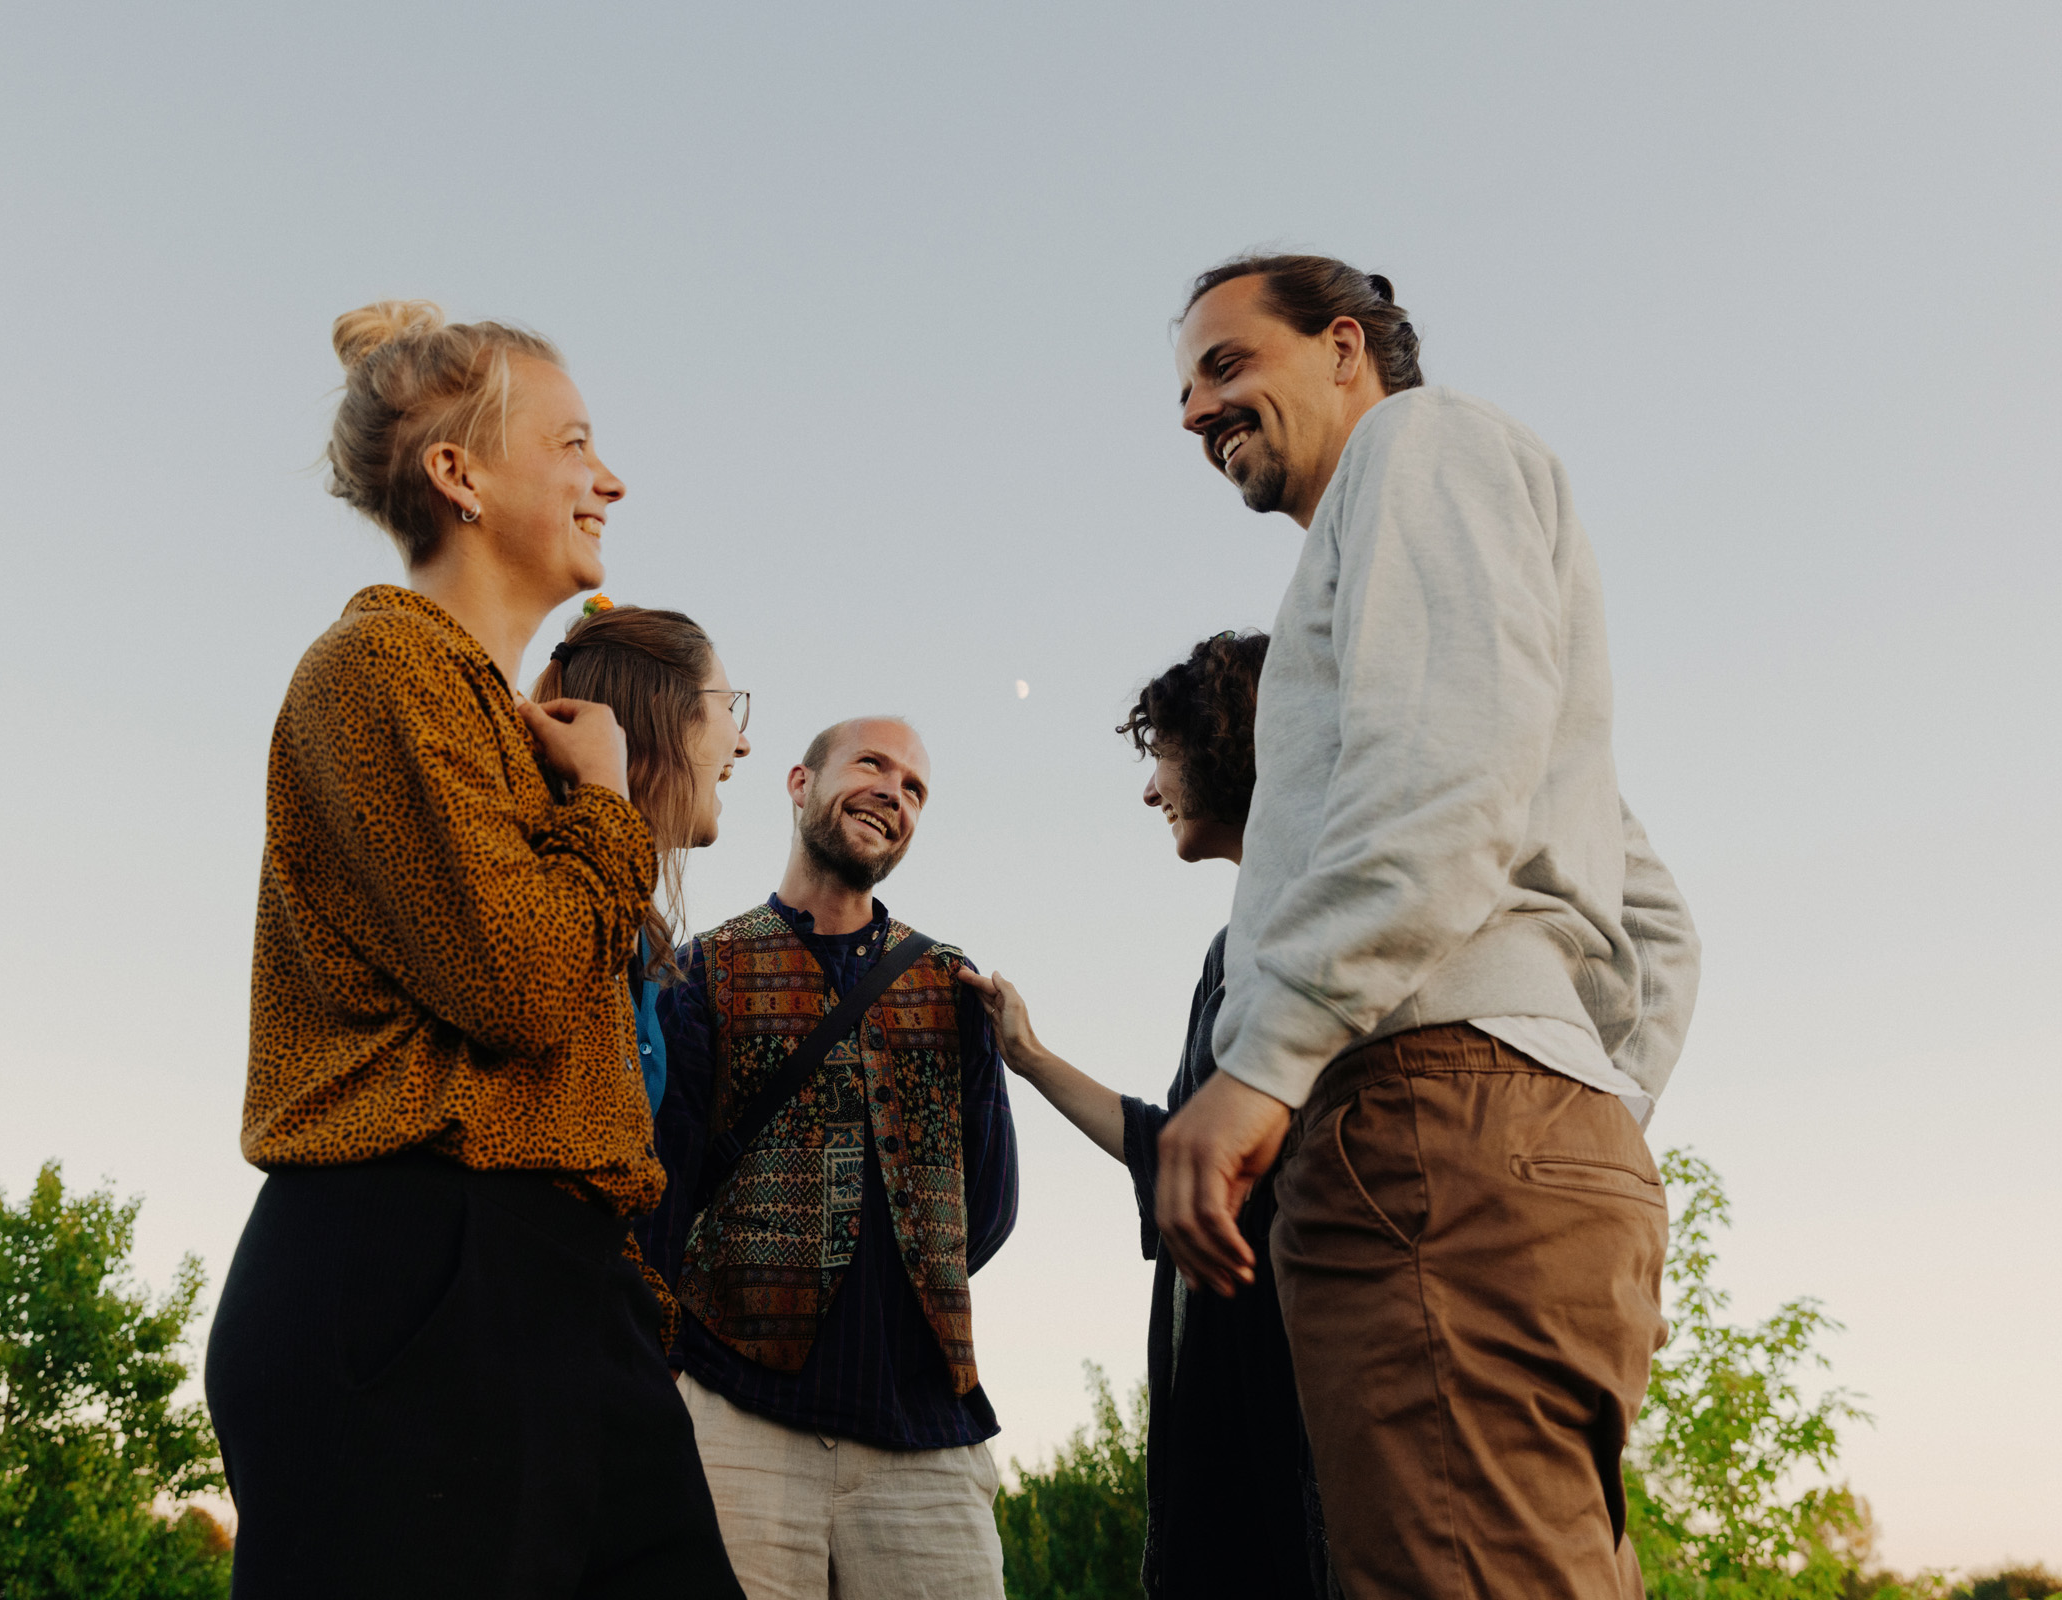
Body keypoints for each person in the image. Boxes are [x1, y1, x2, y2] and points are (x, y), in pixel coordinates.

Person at [1155, 254, 1702, 1599]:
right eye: (1181, 389)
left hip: (1423, 1130)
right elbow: (1651, 920)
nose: (1190, 412)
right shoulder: (1440, 556)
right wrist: (1569, 1097)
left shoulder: (1418, 444)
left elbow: (1436, 787)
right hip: (1503, 1134)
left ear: (1344, 346)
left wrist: (1267, 1059)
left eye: (1224, 366)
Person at [205, 300, 744, 1599]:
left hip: (556, 1290)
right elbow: (517, 980)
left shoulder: (496, 722)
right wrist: (610, 808)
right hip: (420, 1275)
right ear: (457, 473)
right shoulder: (378, 666)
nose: (606, 477)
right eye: (570, 441)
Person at [961, 630, 1330, 1600]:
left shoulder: (1333, 918)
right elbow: (1177, 1147)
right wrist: (1028, 1056)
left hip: (1300, 1369)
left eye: (1160, 754)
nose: (1148, 787)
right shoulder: (1227, 949)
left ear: (1225, 743)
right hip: (1212, 1373)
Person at [637, 717, 1020, 1600]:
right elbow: (660, 1200)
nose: (895, 790)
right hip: (736, 1420)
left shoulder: (953, 985)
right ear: (799, 783)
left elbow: (986, 1205)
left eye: (916, 788)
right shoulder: (701, 972)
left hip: (926, 1439)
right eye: (873, 765)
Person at [533, 604, 754, 1114]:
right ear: (664, 714)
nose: (742, 744)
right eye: (729, 707)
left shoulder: (648, 940)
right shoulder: (542, 881)